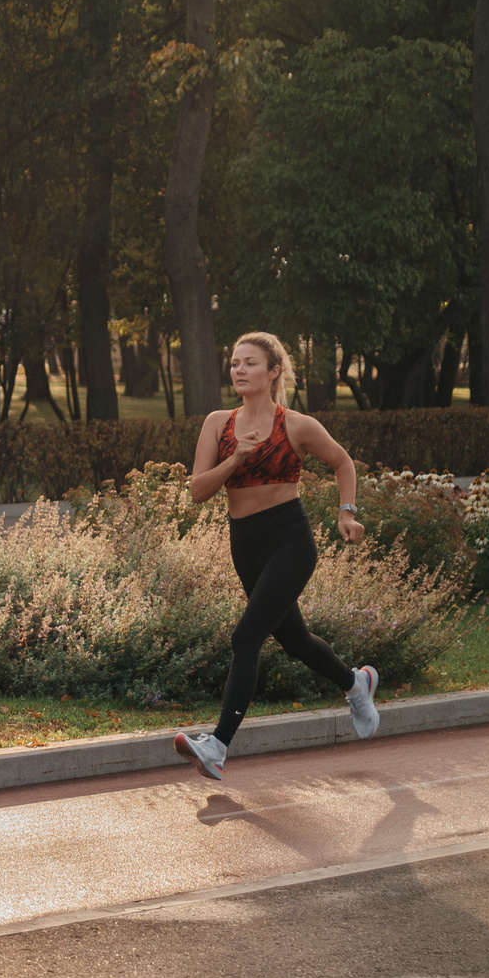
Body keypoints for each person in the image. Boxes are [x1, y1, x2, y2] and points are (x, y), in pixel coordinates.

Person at [170, 333, 381, 780]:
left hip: (290, 539)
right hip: (244, 543)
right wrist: (234, 461)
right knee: (295, 642)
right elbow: (197, 492)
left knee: (247, 637)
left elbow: (343, 463)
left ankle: (218, 745)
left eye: (250, 363)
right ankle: (355, 682)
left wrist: (347, 512)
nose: (239, 370)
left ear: (273, 372)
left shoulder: (296, 425)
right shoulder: (217, 423)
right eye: (234, 363)